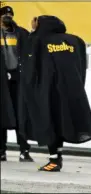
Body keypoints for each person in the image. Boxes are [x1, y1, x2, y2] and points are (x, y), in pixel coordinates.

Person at [19, 15, 91, 172]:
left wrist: (30, 90)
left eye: (35, 25)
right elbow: (82, 66)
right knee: (62, 123)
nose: (32, 28)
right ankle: (56, 159)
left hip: (47, 91)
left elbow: (30, 67)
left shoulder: (37, 41)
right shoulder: (76, 41)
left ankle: (54, 159)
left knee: (49, 123)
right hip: (71, 91)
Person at [0, 5, 34, 162]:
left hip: (17, 78)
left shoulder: (21, 33)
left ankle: (24, 150)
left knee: (21, 113)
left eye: (10, 15)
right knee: (2, 114)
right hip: (1, 79)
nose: (8, 18)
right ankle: (1, 150)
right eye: (5, 15)